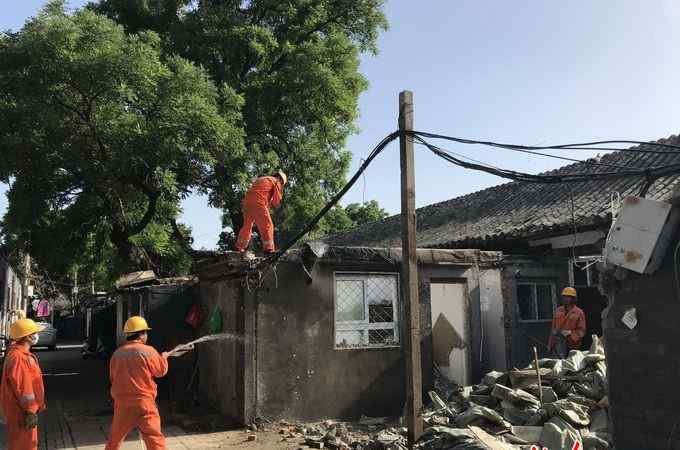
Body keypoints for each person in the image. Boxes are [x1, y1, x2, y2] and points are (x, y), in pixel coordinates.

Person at [105, 316, 169, 450]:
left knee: (114, 440)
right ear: (141, 334)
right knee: (154, 440)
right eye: (145, 332)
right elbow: (160, 371)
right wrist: (163, 358)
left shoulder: (117, 354)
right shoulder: (148, 351)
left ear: (128, 334)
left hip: (123, 405)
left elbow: (112, 378)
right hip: (144, 404)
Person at [0, 318, 46, 450]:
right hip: (22, 414)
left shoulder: (19, 355)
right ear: (27, 337)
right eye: (34, 332)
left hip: (21, 412)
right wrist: (30, 410)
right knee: (25, 446)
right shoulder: (19, 358)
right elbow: (23, 389)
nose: (36, 335)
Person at [235, 170, 288, 253]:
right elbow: (276, 201)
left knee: (247, 226)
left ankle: (239, 247)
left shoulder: (262, 179)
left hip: (247, 204)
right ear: (280, 179)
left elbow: (259, 192)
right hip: (258, 202)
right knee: (268, 225)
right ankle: (269, 248)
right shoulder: (275, 181)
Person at [548, 287, 587, 358]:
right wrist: (550, 344)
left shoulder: (579, 312)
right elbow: (553, 329)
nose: (565, 299)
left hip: (572, 345)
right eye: (564, 296)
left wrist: (570, 333)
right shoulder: (558, 311)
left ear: (573, 298)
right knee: (557, 365)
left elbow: (582, 331)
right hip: (558, 345)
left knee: (569, 366)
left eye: (568, 297)